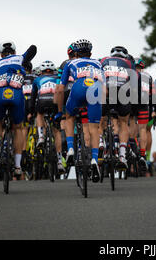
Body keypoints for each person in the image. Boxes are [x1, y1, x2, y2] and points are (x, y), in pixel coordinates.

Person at [55, 39, 104, 183]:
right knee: (94, 128)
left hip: (78, 89)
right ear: (91, 53)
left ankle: (70, 149)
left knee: (68, 117)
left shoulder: (70, 63)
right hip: (95, 90)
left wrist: (59, 111)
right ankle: (95, 160)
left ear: (75, 53)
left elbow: (60, 88)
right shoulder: (99, 64)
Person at [0, 41, 37, 176]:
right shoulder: (20, 58)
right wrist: (26, 57)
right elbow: (33, 48)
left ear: (0, 54)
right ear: (15, 51)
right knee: (18, 127)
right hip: (16, 94)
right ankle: (17, 166)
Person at [99, 46, 137, 169]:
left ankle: (100, 140)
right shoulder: (129, 63)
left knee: (101, 117)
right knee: (124, 123)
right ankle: (122, 155)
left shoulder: (103, 60)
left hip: (106, 91)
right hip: (123, 92)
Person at [32, 60, 64, 173]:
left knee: (39, 114)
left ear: (41, 71)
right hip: (55, 102)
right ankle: (60, 161)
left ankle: (41, 136)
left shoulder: (37, 79)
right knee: (57, 131)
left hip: (42, 101)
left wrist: (31, 111)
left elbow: (33, 97)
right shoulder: (58, 78)